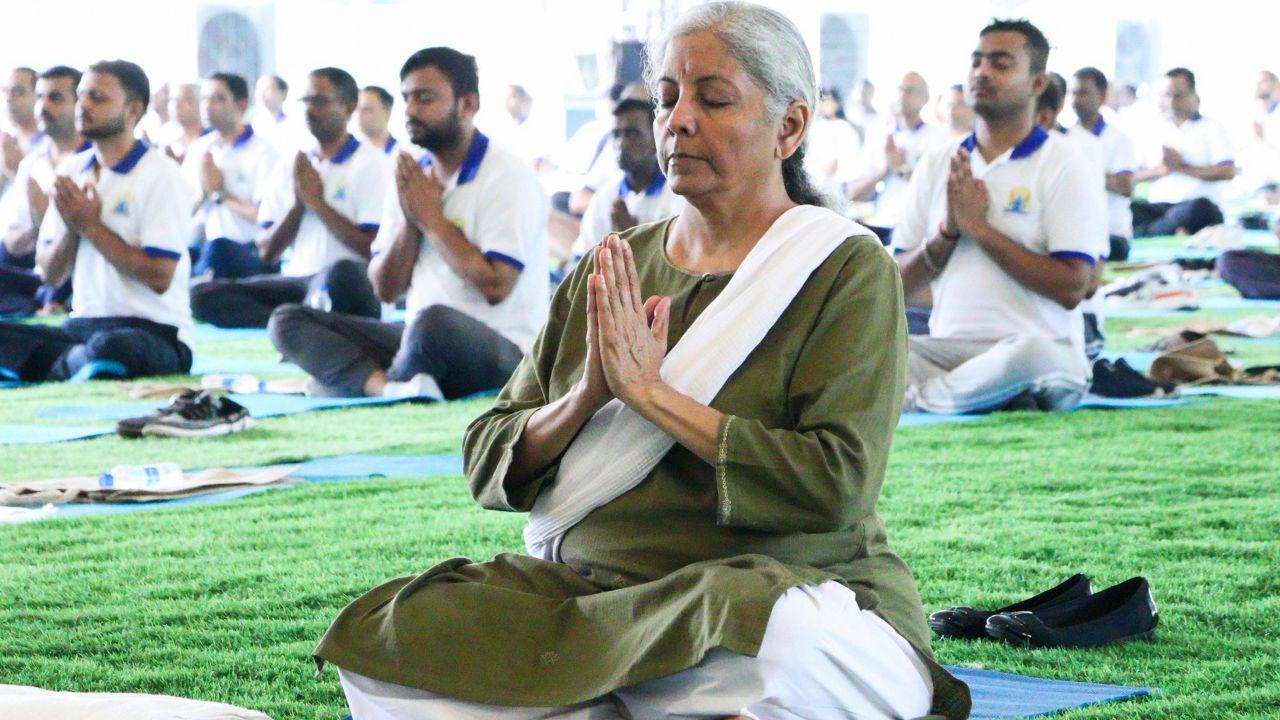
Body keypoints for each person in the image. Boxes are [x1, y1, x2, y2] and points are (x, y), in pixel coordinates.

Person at [313, 4, 969, 719]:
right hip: (597, 598)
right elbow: (486, 460)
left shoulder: (843, 269)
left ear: (789, 127)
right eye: (666, 98)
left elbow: (836, 483)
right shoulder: (614, 266)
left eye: (712, 99)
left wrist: (654, 396)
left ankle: (614, 701)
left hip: (766, 590)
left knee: (781, 640)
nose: (677, 120)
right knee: (395, 630)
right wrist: (589, 394)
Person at [268, 46, 549, 400]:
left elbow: (496, 286)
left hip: (504, 350)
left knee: (434, 323)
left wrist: (431, 218)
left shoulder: (507, 176)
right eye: (407, 99)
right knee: (288, 321)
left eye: (425, 98)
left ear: (468, 105)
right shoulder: (410, 175)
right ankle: (386, 386)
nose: (411, 111)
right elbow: (385, 289)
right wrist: (411, 222)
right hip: (416, 337)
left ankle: (359, 380)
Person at [890, 18, 1107, 415]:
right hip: (948, 349)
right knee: (862, 349)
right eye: (977, 62)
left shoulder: (1065, 163)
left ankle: (920, 399)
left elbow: (1073, 287)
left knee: (1036, 358)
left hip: (1035, 348)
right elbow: (895, 284)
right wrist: (947, 234)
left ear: (1037, 84)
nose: (982, 73)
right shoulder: (940, 162)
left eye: (1000, 64)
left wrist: (981, 230)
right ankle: (965, 394)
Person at [0, 60, 195, 382]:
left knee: (114, 348)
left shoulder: (161, 175)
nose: (83, 106)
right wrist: (72, 228)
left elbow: (159, 276)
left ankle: (49, 365)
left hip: (155, 331)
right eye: (81, 96)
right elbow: (50, 274)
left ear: (133, 109)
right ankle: (71, 364)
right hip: (83, 325)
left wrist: (91, 226)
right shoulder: (71, 173)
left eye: (98, 98)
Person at [190, 67, 389, 329]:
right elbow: (266, 251)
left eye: (319, 101)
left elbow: (372, 249)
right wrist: (298, 205)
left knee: (341, 272)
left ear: (348, 107)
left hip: (351, 284)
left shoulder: (372, 164)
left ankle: (299, 320)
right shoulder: (292, 165)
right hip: (298, 282)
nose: (309, 109)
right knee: (202, 295)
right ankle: (297, 320)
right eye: (305, 101)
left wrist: (317, 204)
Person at [0, 65, 88, 316]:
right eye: (40, 97)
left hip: (75, 275)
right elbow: (16, 244)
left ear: (80, 104)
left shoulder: (94, 162)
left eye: (55, 98)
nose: (44, 106)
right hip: (35, 268)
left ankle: (50, 302)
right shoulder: (31, 163)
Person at [182, 72, 280, 280]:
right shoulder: (200, 149)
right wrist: (204, 193)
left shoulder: (263, 152)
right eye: (204, 99)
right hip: (207, 246)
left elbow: (263, 214)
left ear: (241, 105)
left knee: (218, 249)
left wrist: (221, 194)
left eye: (217, 99)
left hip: (250, 251)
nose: (207, 106)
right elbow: (182, 211)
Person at [571, 83, 682, 261]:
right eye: (616, 134)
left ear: (656, 140)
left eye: (632, 134)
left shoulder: (679, 195)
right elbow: (581, 264)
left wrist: (632, 238)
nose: (621, 144)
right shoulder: (605, 198)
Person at [1131, 68, 1235, 237]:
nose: (1171, 101)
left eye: (1178, 95)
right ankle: (1168, 230)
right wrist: (1161, 170)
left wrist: (1180, 167)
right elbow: (1133, 175)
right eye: (1167, 95)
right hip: (1161, 207)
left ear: (1193, 94)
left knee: (1198, 208)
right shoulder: (1154, 129)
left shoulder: (1212, 128)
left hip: (1196, 206)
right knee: (1132, 209)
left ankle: (1151, 232)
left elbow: (1227, 171)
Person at [847, 72, 951, 236]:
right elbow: (853, 194)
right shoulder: (878, 133)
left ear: (925, 99)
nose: (903, 95)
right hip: (880, 224)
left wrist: (901, 169)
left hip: (919, 230)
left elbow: (939, 194)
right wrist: (883, 170)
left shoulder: (938, 139)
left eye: (910, 90)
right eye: (900, 89)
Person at [1069, 67, 1136, 262]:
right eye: (1073, 93)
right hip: (1074, 232)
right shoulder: (1064, 137)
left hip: (1112, 234)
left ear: (1103, 95)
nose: (1076, 100)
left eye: (1083, 93)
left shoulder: (1119, 139)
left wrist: (1085, 168)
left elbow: (1125, 187)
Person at [802, 87, 861, 198]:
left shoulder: (844, 127)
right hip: (814, 180)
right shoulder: (816, 126)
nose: (827, 104)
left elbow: (846, 161)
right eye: (824, 100)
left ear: (837, 103)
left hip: (836, 186)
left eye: (830, 100)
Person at [1, 67, 44, 194]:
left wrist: (16, 172)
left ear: (38, 96)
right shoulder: (7, 142)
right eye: (5, 91)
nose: (8, 98)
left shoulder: (51, 145)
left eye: (17, 91)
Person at [164, 83, 207, 165]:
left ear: (200, 103)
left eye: (184, 99)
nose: (176, 105)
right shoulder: (171, 141)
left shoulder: (213, 140)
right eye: (172, 99)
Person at [357, 85, 399, 156]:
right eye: (357, 109)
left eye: (367, 109)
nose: (359, 115)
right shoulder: (349, 157)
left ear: (387, 112)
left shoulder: (410, 155)